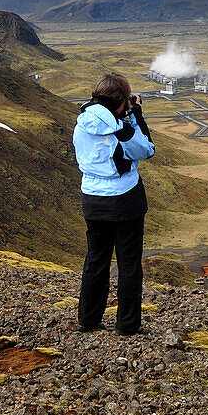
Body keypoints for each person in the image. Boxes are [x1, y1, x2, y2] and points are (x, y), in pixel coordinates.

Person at [72, 72, 155, 335]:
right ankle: (127, 325)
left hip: (93, 199)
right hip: (125, 199)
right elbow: (147, 149)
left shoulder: (81, 124)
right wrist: (135, 115)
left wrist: (123, 112)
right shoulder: (123, 130)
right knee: (129, 262)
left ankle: (88, 318)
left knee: (96, 259)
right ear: (121, 102)